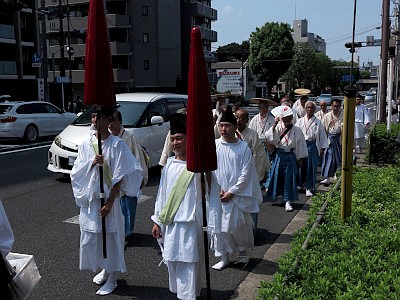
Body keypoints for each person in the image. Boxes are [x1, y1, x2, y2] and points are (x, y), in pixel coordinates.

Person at [70, 106, 143, 296]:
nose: (94, 120)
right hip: (91, 199)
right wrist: (92, 163)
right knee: (93, 238)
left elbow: (122, 175)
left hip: (108, 201)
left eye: (98, 117)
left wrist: (110, 202)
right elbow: (76, 172)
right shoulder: (86, 143)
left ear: (108, 120)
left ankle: (112, 278)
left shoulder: (117, 144)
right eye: (93, 116)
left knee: (110, 239)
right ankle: (104, 268)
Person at [151, 113, 220, 299]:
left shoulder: (198, 167)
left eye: (179, 138)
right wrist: (157, 221)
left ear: (189, 138)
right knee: (174, 262)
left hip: (191, 225)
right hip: (172, 224)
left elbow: (211, 194)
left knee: (190, 264)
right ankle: (183, 295)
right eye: (172, 139)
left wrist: (212, 225)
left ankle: (188, 296)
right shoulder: (169, 166)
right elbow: (162, 197)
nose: (175, 143)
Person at [211, 106, 262, 271]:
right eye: (221, 125)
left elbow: (246, 174)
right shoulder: (215, 145)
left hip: (236, 195)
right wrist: (217, 189)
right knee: (219, 228)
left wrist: (232, 192)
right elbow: (210, 170)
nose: (223, 129)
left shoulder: (243, 148)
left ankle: (242, 255)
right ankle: (224, 257)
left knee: (239, 226)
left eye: (227, 126)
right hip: (218, 194)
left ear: (234, 127)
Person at [109, 110, 148, 238]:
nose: (110, 124)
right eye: (109, 120)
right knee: (115, 206)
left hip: (128, 177)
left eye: (113, 120)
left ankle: (126, 233)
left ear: (120, 121)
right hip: (112, 177)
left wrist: (141, 177)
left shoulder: (129, 136)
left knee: (128, 205)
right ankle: (117, 230)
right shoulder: (107, 137)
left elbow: (138, 157)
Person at [264, 106, 308, 212]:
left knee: (289, 178)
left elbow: (300, 144)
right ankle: (281, 197)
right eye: (285, 119)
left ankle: (288, 200)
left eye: (289, 119)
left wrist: (300, 158)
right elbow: (269, 138)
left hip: (290, 155)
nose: (287, 122)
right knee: (277, 176)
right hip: (279, 154)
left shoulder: (297, 130)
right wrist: (274, 124)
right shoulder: (278, 127)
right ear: (282, 118)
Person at [235, 108, 271, 235]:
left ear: (247, 120)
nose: (239, 120)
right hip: (235, 175)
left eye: (242, 118)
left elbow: (259, 155)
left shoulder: (252, 134)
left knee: (251, 202)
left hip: (250, 173)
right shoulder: (231, 133)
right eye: (237, 117)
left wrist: (258, 174)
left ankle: (252, 230)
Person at [295, 101, 328, 196]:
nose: (310, 110)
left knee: (311, 167)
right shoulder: (300, 121)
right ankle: (300, 184)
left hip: (312, 145)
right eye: (308, 108)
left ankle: (309, 187)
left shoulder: (318, 122)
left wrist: (322, 148)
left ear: (314, 109)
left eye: (312, 108)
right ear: (305, 109)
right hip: (302, 144)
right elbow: (295, 133)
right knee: (301, 166)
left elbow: (322, 135)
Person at [321, 99, 343, 185]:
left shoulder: (343, 115)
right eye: (334, 106)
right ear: (331, 106)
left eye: (337, 106)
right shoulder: (327, 116)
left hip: (339, 139)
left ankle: (337, 175)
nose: (335, 108)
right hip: (329, 139)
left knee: (338, 158)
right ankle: (327, 177)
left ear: (340, 106)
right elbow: (323, 129)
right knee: (328, 158)